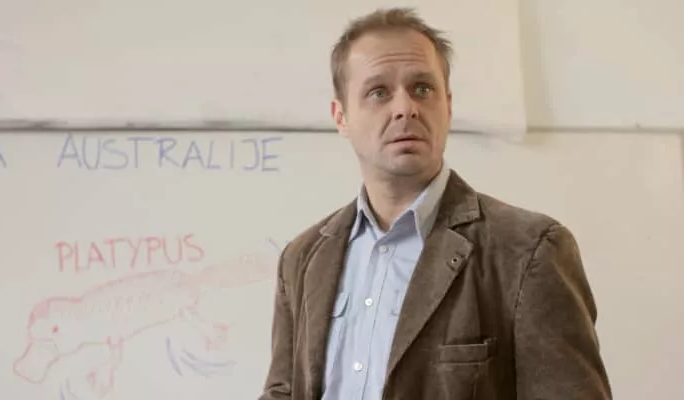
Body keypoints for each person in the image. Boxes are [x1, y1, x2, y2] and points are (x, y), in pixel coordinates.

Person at [259, 7, 612, 400]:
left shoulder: (529, 251)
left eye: (422, 88)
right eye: (378, 92)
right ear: (340, 116)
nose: (405, 108)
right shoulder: (303, 258)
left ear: (448, 105)